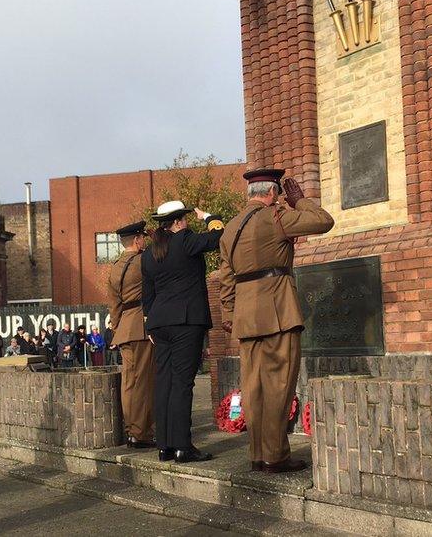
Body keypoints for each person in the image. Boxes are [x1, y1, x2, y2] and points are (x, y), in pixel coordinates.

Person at [219, 168, 334, 474]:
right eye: (279, 194)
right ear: (271, 194)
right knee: (279, 384)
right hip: (278, 310)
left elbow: (225, 278)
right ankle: (276, 456)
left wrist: (229, 313)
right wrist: (300, 202)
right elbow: (324, 221)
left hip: (246, 314)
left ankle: (258, 454)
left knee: (253, 387)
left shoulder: (230, 228)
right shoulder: (277, 216)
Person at [141, 200, 223, 464]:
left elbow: (148, 294)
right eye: (185, 219)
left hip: (159, 323)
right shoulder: (185, 240)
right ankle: (183, 447)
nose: (187, 222)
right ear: (177, 222)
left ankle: (165, 446)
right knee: (182, 383)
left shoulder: (149, 253)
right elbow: (219, 236)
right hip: (186, 321)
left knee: (164, 382)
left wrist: (149, 322)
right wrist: (210, 216)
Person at [106, 220, 154, 449]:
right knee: (143, 383)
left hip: (124, 327)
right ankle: (141, 432)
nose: (144, 240)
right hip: (140, 327)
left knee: (129, 383)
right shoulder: (143, 261)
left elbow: (114, 305)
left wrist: (117, 328)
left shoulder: (115, 266)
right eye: (143, 237)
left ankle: (132, 430)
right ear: (137, 240)